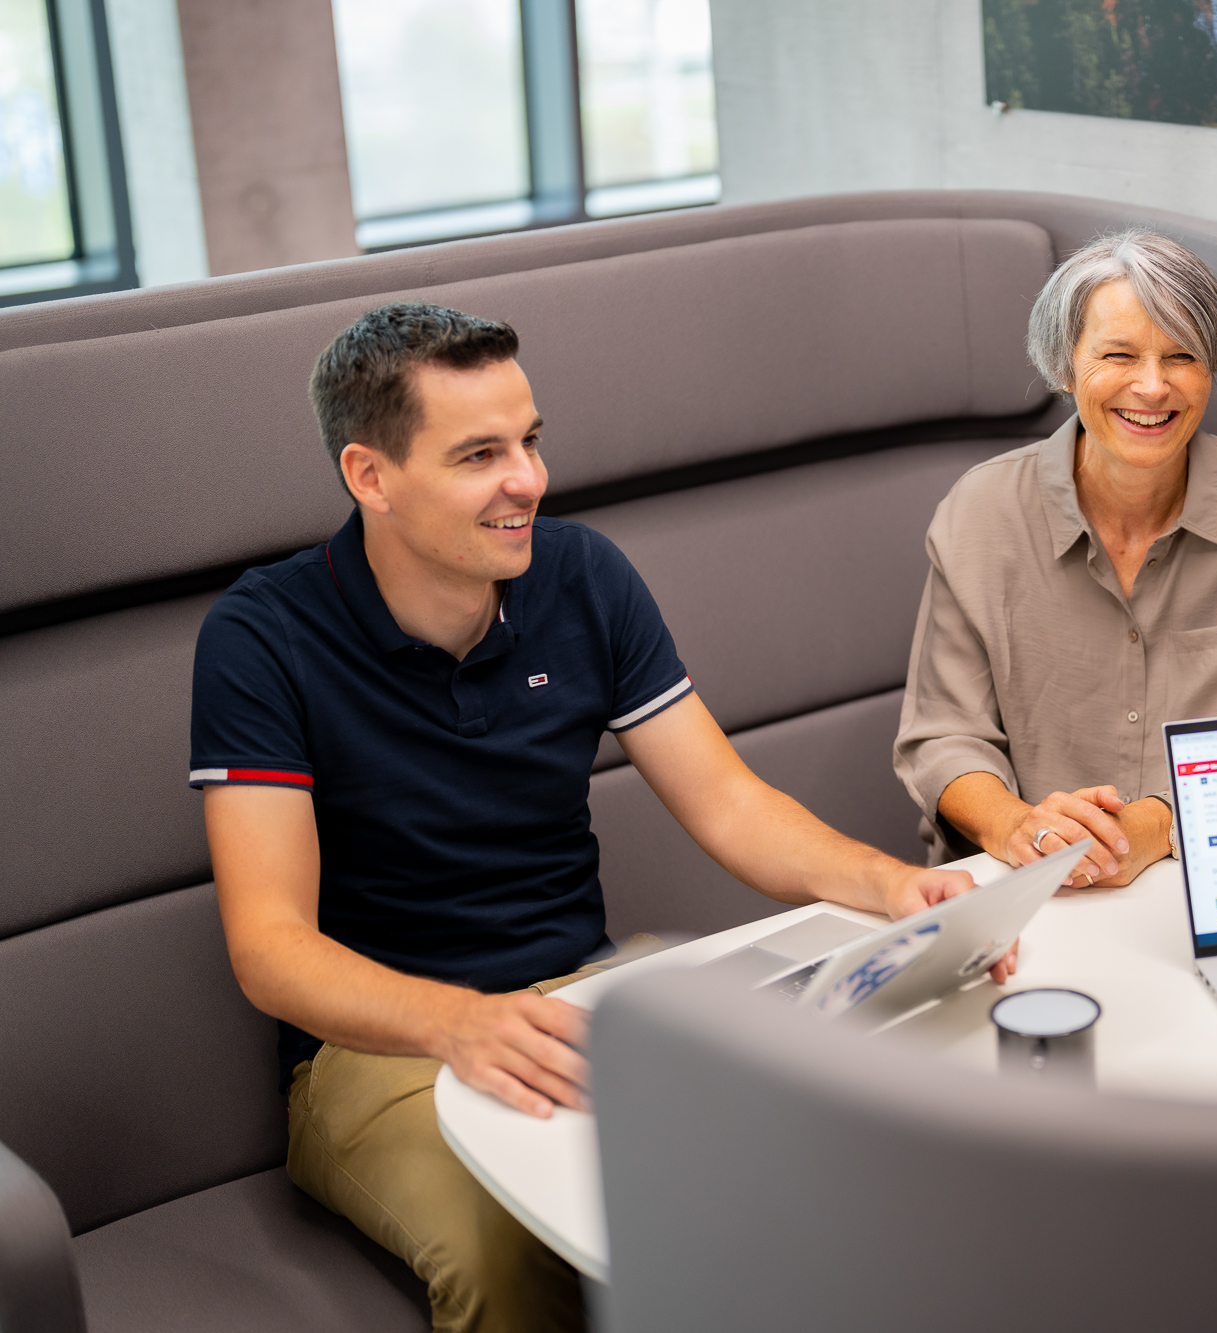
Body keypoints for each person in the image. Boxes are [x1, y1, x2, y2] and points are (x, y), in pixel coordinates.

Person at [191, 303, 1007, 1332]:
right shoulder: (261, 636)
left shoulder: (581, 575)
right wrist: (460, 1020)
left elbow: (728, 802)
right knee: (504, 1253)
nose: (527, 480)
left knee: (818, 1150)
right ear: (371, 476)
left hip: (586, 994)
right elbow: (269, 948)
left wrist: (896, 885)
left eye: (529, 441)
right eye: (480, 455)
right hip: (377, 1045)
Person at [894, 230, 1217, 887]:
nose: (1153, 386)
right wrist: (1020, 826)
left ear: (1211, 369)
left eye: (1182, 356)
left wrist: (1155, 826)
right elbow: (943, 737)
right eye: (1118, 355)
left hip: (1215, 877)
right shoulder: (981, 510)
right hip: (1020, 888)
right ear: (1064, 366)